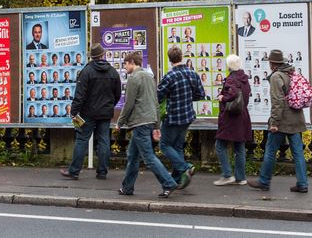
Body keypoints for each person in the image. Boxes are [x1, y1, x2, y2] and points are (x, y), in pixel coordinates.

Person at [116, 52, 179, 198]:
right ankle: (127, 187)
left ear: (132, 62)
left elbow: (129, 103)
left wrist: (120, 122)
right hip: (149, 120)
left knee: (149, 157)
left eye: (125, 64)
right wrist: (156, 125)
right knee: (133, 155)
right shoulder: (150, 78)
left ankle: (169, 183)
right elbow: (155, 102)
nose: (125, 67)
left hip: (140, 122)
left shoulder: (133, 78)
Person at [248, 50, 308, 193]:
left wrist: (274, 122)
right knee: (298, 153)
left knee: (270, 151)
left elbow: (278, 101)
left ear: (271, 63)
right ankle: (302, 184)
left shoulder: (276, 76)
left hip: (282, 121)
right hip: (296, 118)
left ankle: (264, 181)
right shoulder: (291, 73)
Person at [61, 44, 121, 181]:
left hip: (87, 113)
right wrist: (109, 106)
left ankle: (74, 171)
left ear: (92, 57)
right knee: (104, 141)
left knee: (81, 140)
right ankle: (102, 172)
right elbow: (117, 94)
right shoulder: (113, 72)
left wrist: (74, 111)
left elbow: (80, 95)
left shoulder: (87, 71)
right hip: (105, 113)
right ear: (102, 55)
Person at [157, 45, 205, 189]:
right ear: (182, 57)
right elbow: (200, 94)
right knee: (177, 146)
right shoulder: (192, 73)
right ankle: (177, 179)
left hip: (172, 117)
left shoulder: (169, 76)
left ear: (169, 59)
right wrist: (188, 98)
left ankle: (185, 167)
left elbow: (158, 96)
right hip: (187, 116)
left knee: (164, 145)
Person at [213, 54, 252, 186]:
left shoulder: (231, 79)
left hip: (231, 117)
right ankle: (241, 178)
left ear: (229, 66)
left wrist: (222, 98)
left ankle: (227, 175)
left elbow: (233, 93)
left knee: (220, 145)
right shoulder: (244, 79)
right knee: (239, 147)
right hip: (242, 115)